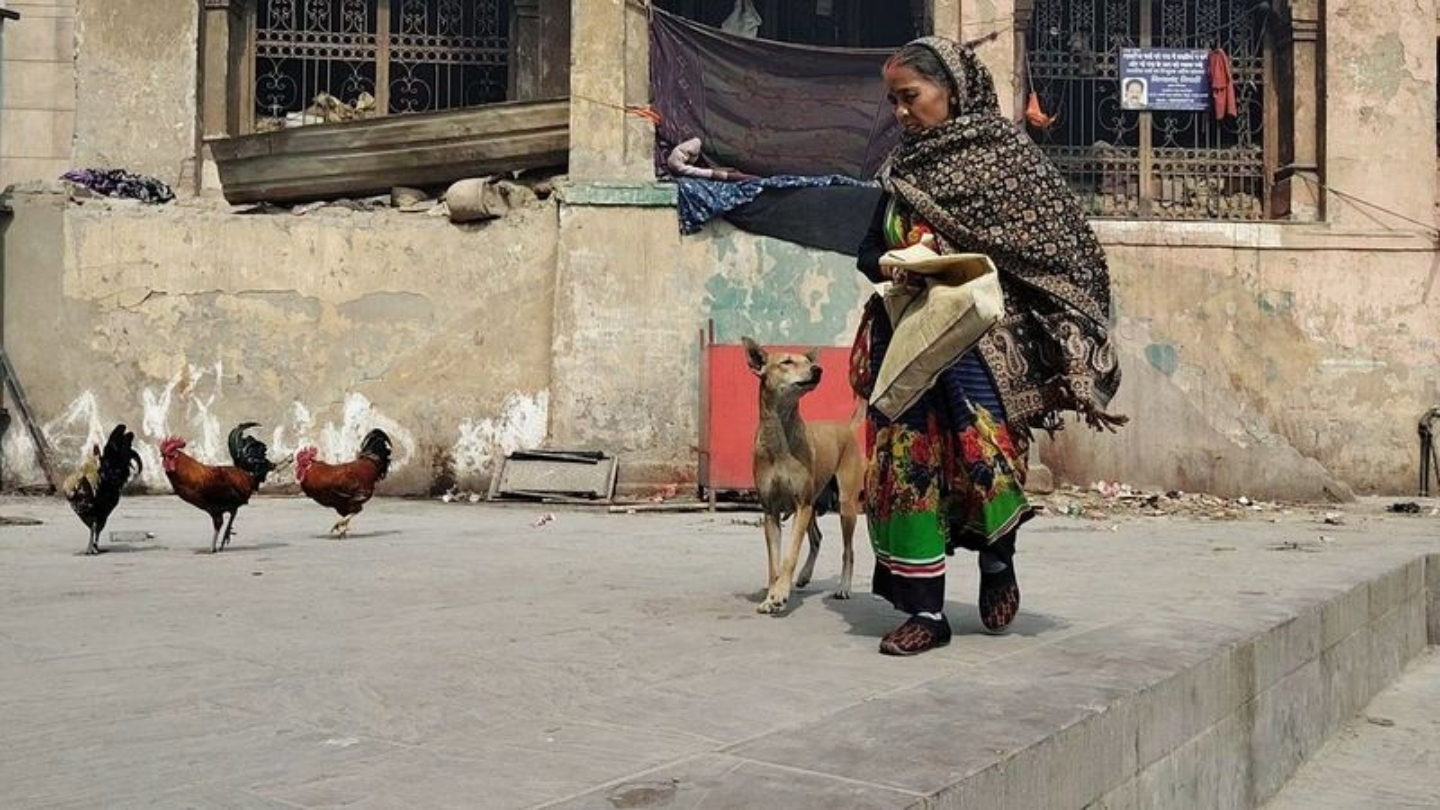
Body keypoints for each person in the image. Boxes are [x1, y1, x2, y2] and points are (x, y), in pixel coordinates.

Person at [852, 37, 1125, 656]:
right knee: (909, 468)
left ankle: (998, 564)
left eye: (910, 98)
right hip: (909, 347)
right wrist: (895, 267)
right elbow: (866, 251)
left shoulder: (1008, 162)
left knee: (985, 460)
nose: (900, 112)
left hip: (980, 349)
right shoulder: (901, 172)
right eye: (893, 101)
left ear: (952, 89)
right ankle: (926, 612)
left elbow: (1062, 250)